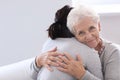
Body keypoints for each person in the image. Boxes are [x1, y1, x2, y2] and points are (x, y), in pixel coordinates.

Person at [31, 4, 120, 80]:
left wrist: (82, 75)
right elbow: (34, 75)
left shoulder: (112, 52)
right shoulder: (71, 50)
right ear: (74, 35)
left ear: (99, 26)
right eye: (81, 33)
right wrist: (37, 61)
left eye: (92, 28)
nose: (88, 36)